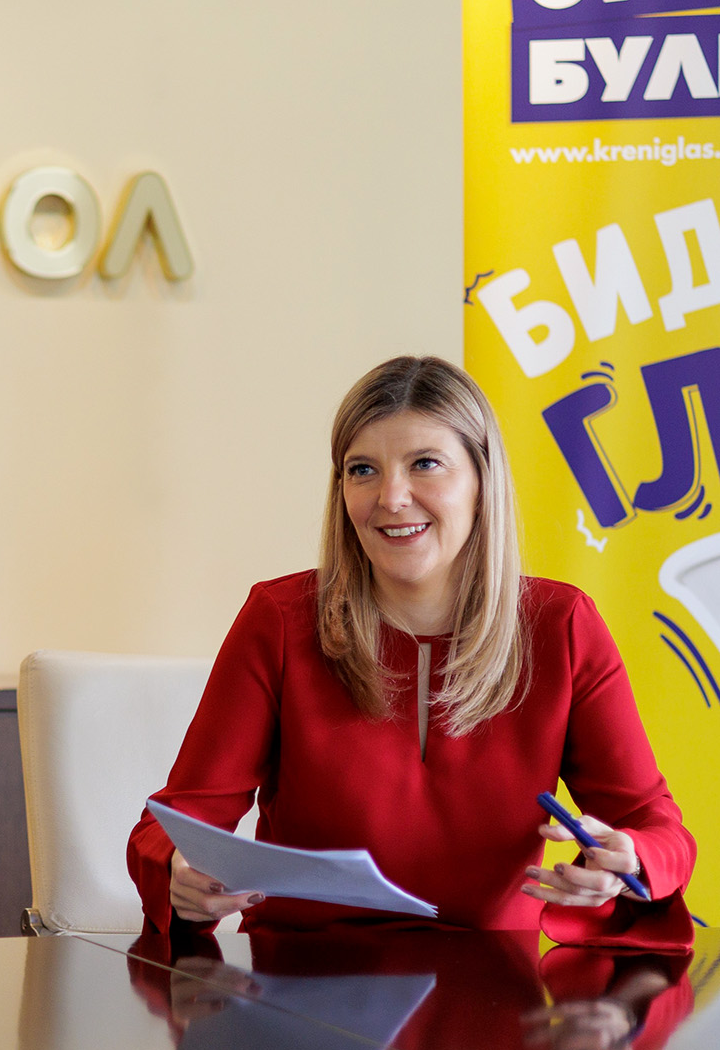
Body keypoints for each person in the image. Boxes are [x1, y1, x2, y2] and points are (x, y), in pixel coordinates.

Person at [128, 355, 695, 949]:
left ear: (482, 482)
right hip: (304, 974)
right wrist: (179, 871)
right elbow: (175, 823)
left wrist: (629, 860)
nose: (391, 497)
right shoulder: (279, 619)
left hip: (495, 982)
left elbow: (657, 828)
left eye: (425, 464)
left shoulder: (563, 624)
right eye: (362, 470)